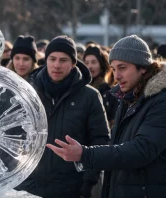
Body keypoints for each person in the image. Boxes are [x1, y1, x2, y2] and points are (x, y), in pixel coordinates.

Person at [47, 35, 166, 198]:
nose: (116, 76)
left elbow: (141, 150)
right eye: (114, 68)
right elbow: (116, 153)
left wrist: (85, 154)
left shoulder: (160, 100)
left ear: (143, 67)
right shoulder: (128, 99)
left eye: (122, 68)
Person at [16, 35, 110, 198]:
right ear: (46, 60)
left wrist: (88, 184)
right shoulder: (28, 92)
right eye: (52, 59)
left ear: (73, 63)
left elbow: (100, 141)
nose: (56, 65)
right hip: (28, 186)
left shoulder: (89, 96)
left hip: (70, 188)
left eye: (63, 60)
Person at [83, 45, 119, 127]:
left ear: (101, 64)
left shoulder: (110, 91)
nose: (90, 66)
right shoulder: (79, 89)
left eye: (93, 62)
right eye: (86, 63)